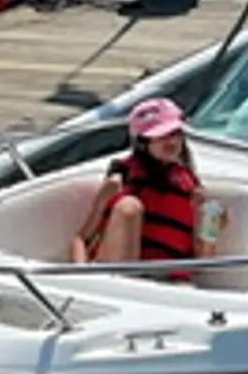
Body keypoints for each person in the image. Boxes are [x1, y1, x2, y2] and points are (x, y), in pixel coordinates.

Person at [73, 97, 205, 269]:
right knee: (129, 206)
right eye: (161, 136)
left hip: (167, 281)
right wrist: (81, 274)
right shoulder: (119, 180)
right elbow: (81, 239)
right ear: (143, 143)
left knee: (213, 214)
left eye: (175, 133)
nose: (171, 142)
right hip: (113, 280)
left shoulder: (191, 186)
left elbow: (202, 257)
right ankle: (123, 281)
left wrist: (209, 219)